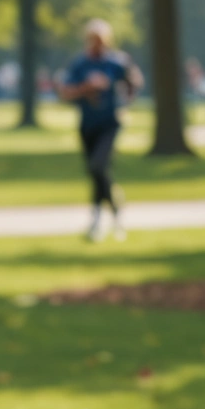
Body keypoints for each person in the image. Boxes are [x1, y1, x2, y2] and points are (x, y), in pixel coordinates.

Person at [59, 19, 141, 242]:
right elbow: (65, 92)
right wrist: (87, 88)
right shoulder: (80, 64)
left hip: (109, 123)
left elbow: (134, 81)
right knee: (97, 173)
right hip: (88, 124)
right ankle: (111, 211)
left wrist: (125, 100)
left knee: (98, 165)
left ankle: (99, 221)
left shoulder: (116, 62)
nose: (97, 44)